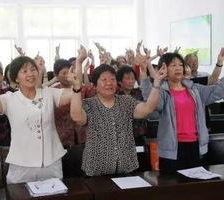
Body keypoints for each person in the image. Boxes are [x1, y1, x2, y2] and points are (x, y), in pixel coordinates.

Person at [0, 54, 72, 184]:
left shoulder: (49, 93)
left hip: (51, 160)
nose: (30, 74)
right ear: (16, 78)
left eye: (33, 70)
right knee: (18, 194)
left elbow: (74, 93)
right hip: (22, 162)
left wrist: (75, 82)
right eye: (24, 71)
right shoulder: (10, 98)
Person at [140, 52, 224, 174]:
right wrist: (144, 75)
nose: (178, 68)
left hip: (196, 146)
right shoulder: (162, 92)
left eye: (180, 64)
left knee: (195, 188)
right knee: (173, 188)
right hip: (172, 150)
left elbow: (220, 90)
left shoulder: (195, 89)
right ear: (164, 69)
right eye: (173, 65)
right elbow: (151, 103)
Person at [69, 46, 167, 176]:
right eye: (104, 80)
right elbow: (77, 118)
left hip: (126, 165)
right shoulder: (89, 104)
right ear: (95, 85)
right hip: (97, 169)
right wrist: (76, 88)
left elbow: (147, 108)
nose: (109, 83)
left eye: (112, 79)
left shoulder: (126, 101)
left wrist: (156, 83)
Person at [116, 66, 148, 145]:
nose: (131, 81)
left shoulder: (139, 93)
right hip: (121, 137)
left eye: (133, 78)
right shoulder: (115, 97)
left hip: (139, 134)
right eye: (127, 78)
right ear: (120, 81)